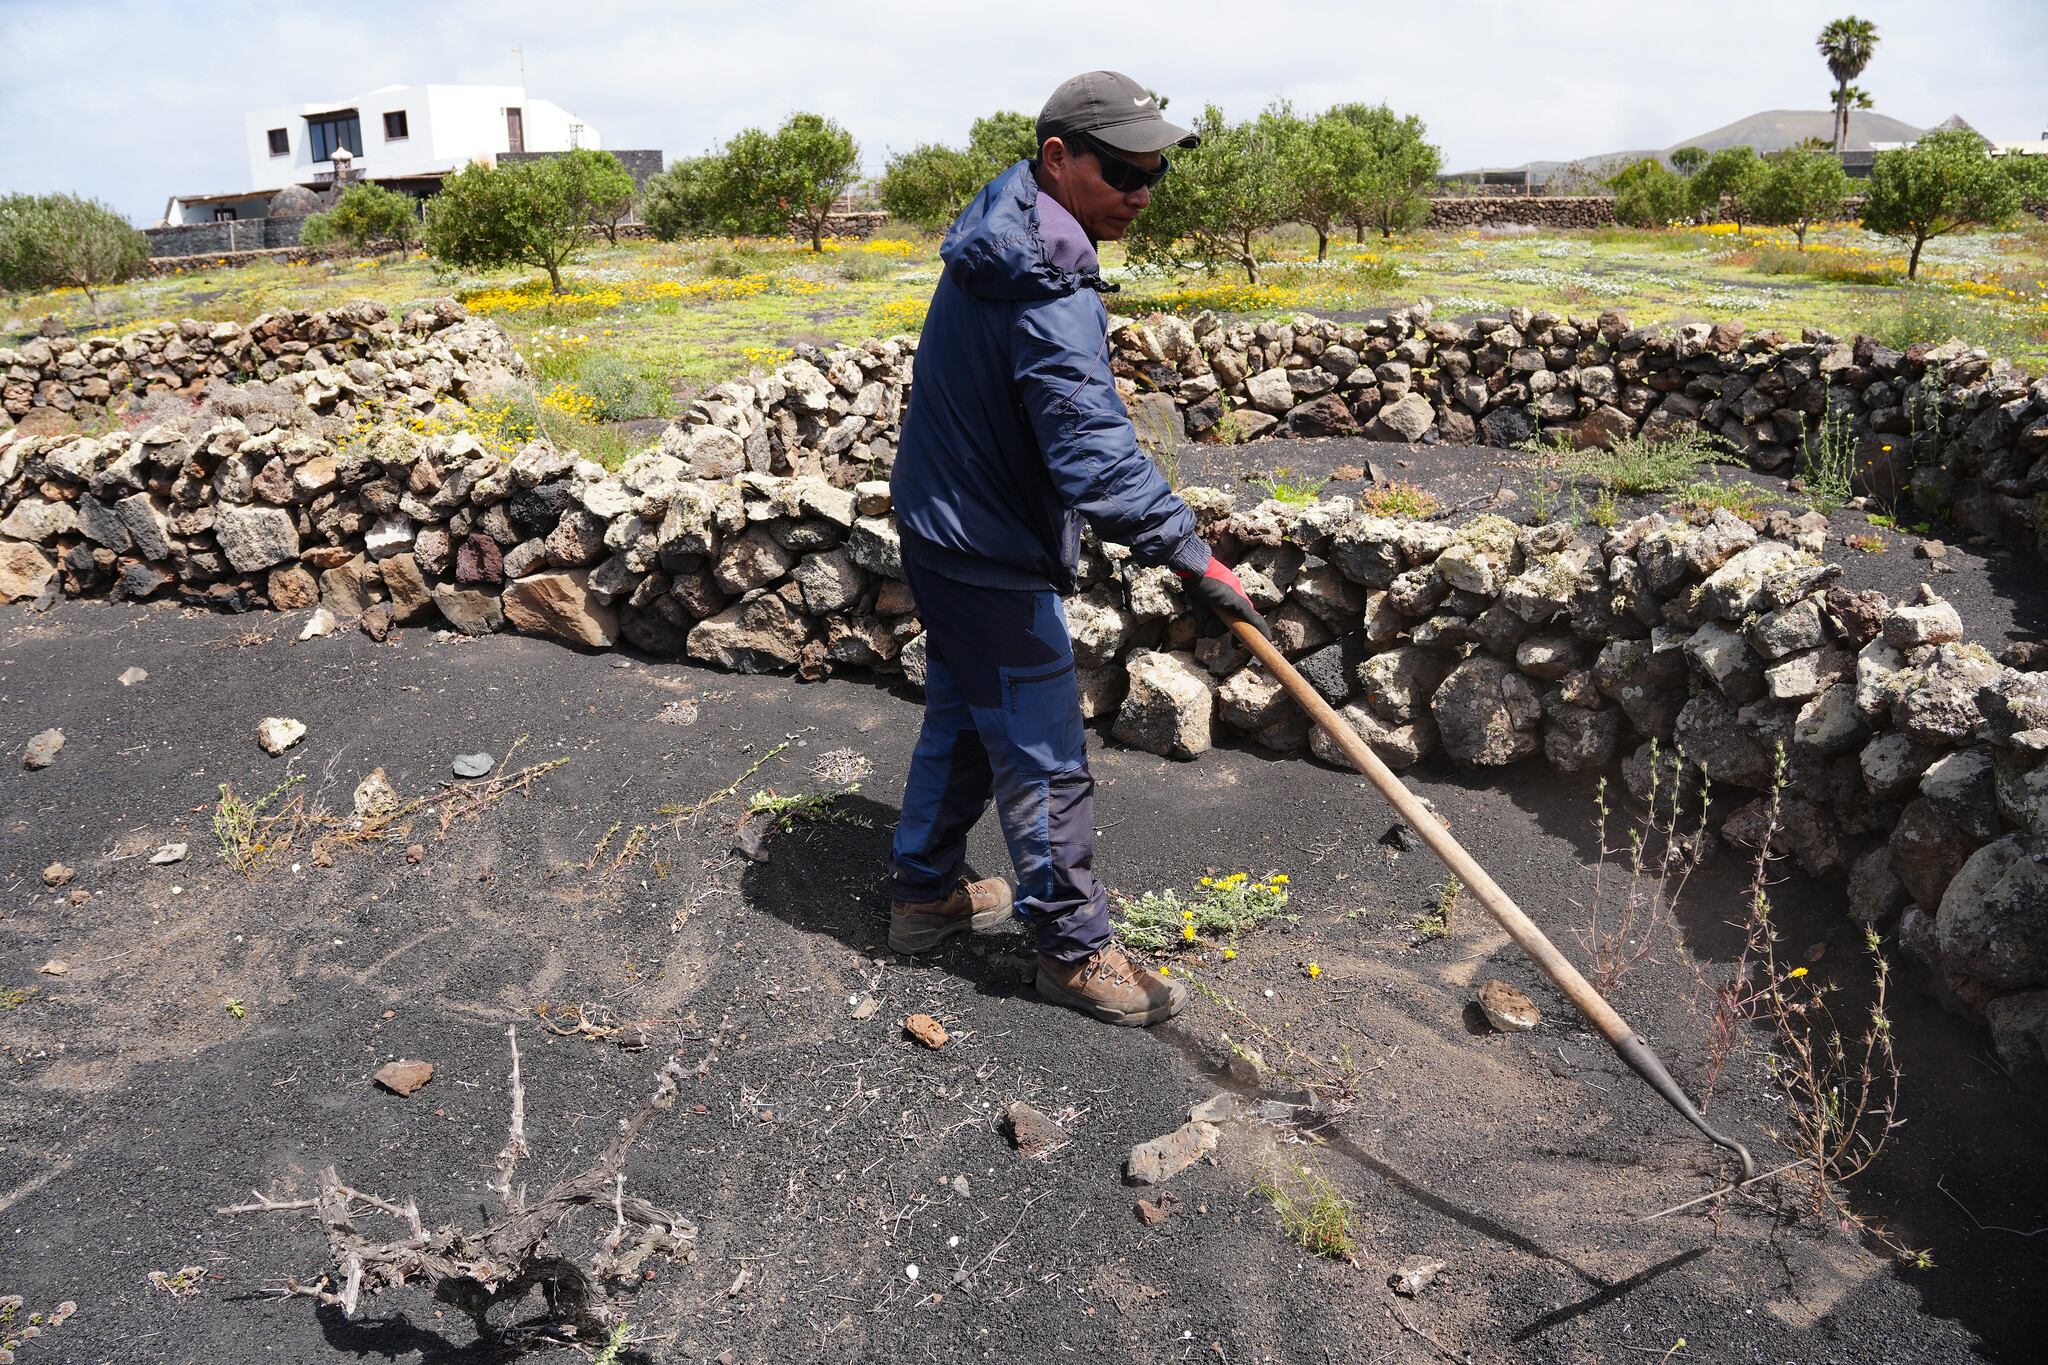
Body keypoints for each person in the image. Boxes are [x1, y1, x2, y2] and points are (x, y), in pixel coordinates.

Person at [884, 71, 1269, 1027]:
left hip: (943, 526)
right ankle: (1070, 949)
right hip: (984, 547)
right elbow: (1093, 451)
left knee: (967, 719)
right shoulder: (1046, 277)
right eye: (1127, 171)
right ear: (1059, 157)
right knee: (1045, 748)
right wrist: (1193, 556)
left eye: (1158, 174)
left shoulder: (1004, 226)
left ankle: (925, 895)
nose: (1144, 190)